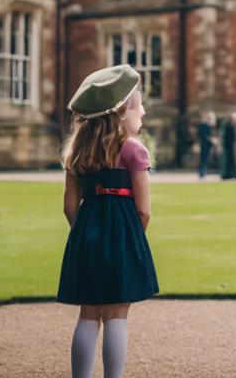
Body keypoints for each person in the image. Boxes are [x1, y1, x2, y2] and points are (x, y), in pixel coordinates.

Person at [57, 64, 159, 378]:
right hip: (123, 237)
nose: (142, 110)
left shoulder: (76, 152)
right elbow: (144, 210)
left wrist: (87, 235)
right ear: (120, 113)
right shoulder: (134, 151)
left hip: (86, 234)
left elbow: (69, 206)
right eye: (137, 105)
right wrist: (129, 241)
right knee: (116, 315)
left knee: (88, 314)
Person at [220, 111, 236, 180]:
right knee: (227, 161)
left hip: (231, 145)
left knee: (232, 161)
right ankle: (227, 175)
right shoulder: (227, 125)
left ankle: (233, 174)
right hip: (228, 145)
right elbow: (226, 136)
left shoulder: (232, 125)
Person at [197, 110, 217, 179]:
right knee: (203, 158)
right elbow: (203, 135)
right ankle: (202, 172)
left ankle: (204, 172)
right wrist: (211, 140)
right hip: (204, 144)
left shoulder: (209, 126)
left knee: (206, 158)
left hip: (208, 144)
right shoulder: (204, 125)